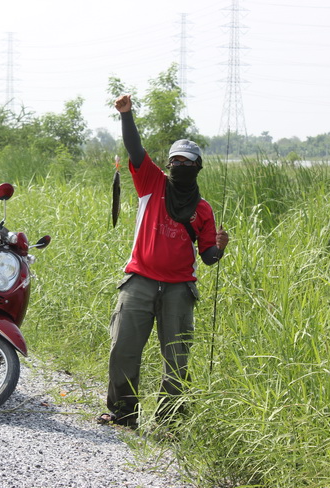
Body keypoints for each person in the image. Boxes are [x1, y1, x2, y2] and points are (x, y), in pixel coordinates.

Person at [98, 94, 229, 428]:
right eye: (177, 162)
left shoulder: (203, 210)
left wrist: (222, 247)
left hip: (179, 290)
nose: (182, 167)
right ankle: (124, 414)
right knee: (123, 348)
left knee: (177, 360)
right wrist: (127, 115)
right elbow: (135, 149)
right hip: (139, 281)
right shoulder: (151, 183)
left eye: (188, 163)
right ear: (168, 164)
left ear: (198, 167)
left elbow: (209, 257)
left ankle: (169, 423)